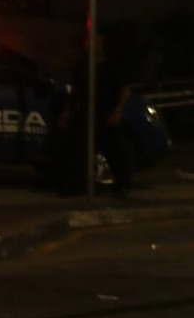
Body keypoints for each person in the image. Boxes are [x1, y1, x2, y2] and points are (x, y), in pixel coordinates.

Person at [54, 31, 134, 197]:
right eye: (89, 42)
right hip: (84, 113)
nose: (92, 45)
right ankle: (74, 186)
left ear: (102, 45)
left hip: (106, 114)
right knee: (77, 150)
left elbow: (124, 90)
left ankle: (123, 186)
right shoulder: (82, 66)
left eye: (96, 42)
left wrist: (117, 113)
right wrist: (66, 112)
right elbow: (74, 90)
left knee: (114, 150)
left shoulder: (111, 65)